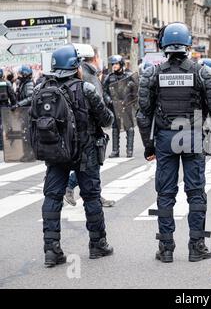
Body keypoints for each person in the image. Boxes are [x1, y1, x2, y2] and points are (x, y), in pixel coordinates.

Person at [138, 22, 211, 263]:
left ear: (163, 46)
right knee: (196, 193)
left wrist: (148, 145)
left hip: (164, 139)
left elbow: (144, 114)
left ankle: (166, 247)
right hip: (192, 138)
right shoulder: (202, 72)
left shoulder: (152, 73)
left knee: (165, 193)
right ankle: (197, 246)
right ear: (188, 44)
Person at [36, 44, 114, 267]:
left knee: (52, 197)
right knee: (91, 197)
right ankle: (97, 244)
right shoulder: (86, 88)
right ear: (75, 66)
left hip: (56, 152)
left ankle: (51, 250)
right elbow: (107, 120)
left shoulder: (43, 89)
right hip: (85, 151)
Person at [64, 45, 116, 208]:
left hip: (79, 129)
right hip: (88, 130)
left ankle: (91, 193)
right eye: (99, 58)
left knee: (89, 165)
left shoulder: (84, 73)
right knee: (89, 165)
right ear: (94, 58)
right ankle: (82, 191)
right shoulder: (89, 75)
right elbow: (96, 103)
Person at [103, 55, 138, 158]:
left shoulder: (129, 76)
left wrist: (131, 100)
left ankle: (129, 150)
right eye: (113, 64)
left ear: (121, 64)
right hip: (114, 105)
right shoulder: (109, 77)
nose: (114, 66)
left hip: (126, 105)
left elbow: (135, 91)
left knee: (129, 128)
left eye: (116, 64)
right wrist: (108, 100)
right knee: (115, 128)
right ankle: (115, 151)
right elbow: (104, 91)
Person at [0, 68, 17, 151]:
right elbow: (12, 96)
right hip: (5, 107)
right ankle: (11, 142)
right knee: (8, 125)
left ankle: (1, 145)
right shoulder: (6, 83)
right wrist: (14, 105)